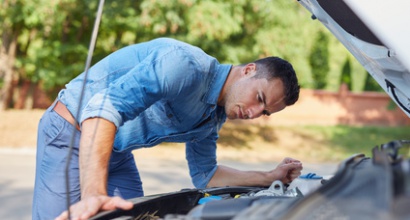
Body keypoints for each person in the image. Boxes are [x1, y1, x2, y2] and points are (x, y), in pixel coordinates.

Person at [32, 37, 303, 220]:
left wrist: (269, 177)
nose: (254, 113)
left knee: (138, 216)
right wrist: (94, 195)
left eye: (265, 112)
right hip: (71, 131)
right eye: (259, 99)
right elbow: (101, 110)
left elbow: (205, 176)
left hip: (114, 148)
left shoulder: (213, 118)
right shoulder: (183, 66)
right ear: (249, 70)